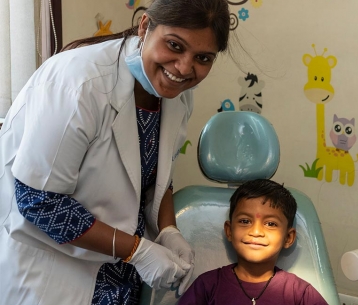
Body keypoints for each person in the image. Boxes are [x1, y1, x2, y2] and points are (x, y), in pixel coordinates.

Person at [0, 0, 231, 304]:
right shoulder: (79, 82)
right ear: (146, 26)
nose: (185, 68)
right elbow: (40, 203)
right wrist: (137, 250)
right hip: (56, 272)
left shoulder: (177, 96)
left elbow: (156, 177)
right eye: (174, 45)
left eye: (202, 58)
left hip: (120, 275)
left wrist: (168, 229)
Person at [178, 179, 329, 305]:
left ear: (288, 238)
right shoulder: (208, 285)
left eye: (271, 224)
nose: (256, 232)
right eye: (245, 221)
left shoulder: (299, 293)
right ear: (229, 230)